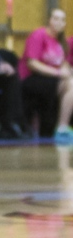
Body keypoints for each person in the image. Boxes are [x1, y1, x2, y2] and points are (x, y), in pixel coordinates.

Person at [19, 8, 73, 143]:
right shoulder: (39, 35)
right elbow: (33, 63)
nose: (58, 22)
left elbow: (64, 64)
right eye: (55, 18)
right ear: (49, 20)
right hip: (31, 78)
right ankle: (61, 127)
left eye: (62, 20)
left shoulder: (61, 43)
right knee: (69, 83)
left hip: (50, 79)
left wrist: (65, 72)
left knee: (71, 83)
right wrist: (58, 73)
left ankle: (62, 128)